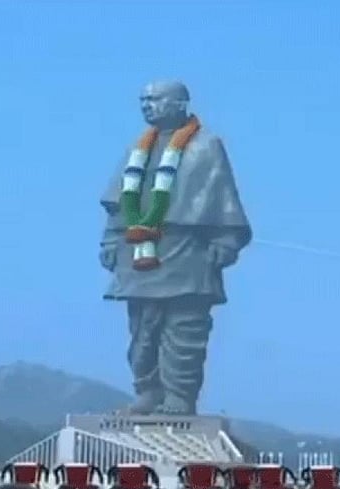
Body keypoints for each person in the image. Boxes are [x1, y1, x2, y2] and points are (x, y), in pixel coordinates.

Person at [99, 81, 251, 415]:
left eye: (155, 99)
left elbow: (224, 199)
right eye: (143, 100)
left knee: (185, 332)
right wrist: (111, 240)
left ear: (180, 103)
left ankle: (180, 397)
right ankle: (147, 391)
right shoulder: (136, 148)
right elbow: (118, 205)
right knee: (142, 332)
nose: (147, 105)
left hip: (188, 253)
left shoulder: (205, 146)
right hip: (138, 254)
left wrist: (224, 243)